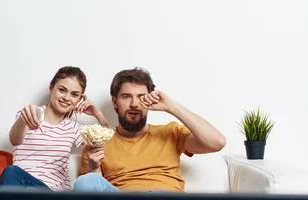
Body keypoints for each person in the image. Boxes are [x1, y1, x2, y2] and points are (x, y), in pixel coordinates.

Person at [73, 67, 226, 193]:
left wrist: (171, 106)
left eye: (141, 97)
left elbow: (217, 142)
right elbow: (90, 192)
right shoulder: (97, 143)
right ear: (115, 101)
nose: (134, 104)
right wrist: (93, 168)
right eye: (126, 97)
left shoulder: (171, 132)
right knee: (86, 181)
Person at [0, 66, 109, 191]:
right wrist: (24, 118)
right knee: (11, 172)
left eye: (74, 95)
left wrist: (97, 114)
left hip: (55, 195)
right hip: (25, 188)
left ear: (80, 99)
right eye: (62, 90)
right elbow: (15, 140)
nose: (67, 98)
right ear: (51, 88)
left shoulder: (73, 128)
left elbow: (109, 141)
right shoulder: (29, 115)